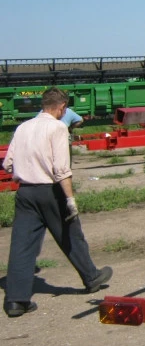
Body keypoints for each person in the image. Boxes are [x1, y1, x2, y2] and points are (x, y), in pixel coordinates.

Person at [2, 87, 112, 318]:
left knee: (22, 246)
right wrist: (70, 199)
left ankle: (16, 301)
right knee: (71, 233)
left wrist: (28, 171)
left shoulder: (23, 127)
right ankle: (91, 277)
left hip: (25, 193)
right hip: (50, 191)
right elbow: (62, 169)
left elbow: (8, 163)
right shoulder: (58, 128)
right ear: (62, 107)